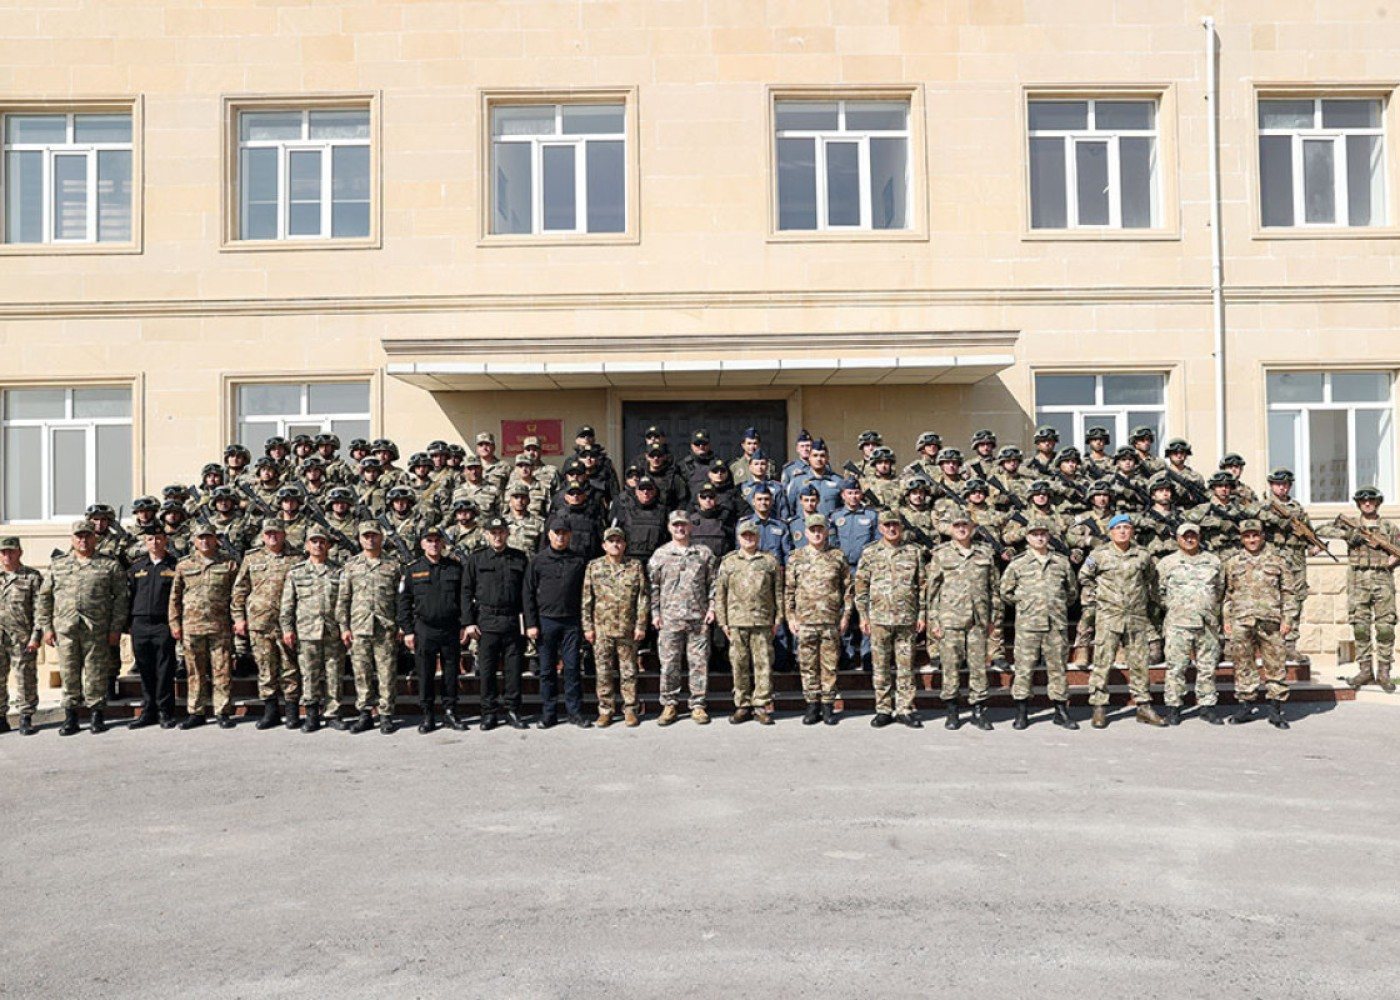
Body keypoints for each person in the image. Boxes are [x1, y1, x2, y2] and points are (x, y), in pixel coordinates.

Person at [38, 520, 128, 736]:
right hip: (66, 629)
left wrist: (116, 628)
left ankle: (97, 714)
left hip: (96, 629)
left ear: (94, 538)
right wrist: (46, 627)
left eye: (87, 536)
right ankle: (71, 716)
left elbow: (121, 599)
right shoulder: (58, 565)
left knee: (96, 672)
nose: (83, 540)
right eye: (78, 536)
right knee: (69, 673)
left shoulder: (109, 565)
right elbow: (45, 598)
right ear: (72, 539)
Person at [1079, 514, 1164, 728]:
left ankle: (1143, 706)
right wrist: (1096, 600)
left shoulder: (1142, 556)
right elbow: (1084, 577)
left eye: (1127, 527)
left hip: (1135, 616)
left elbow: (1150, 579)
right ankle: (1099, 707)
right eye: (1119, 528)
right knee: (1102, 662)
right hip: (1109, 616)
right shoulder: (1099, 555)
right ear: (1111, 532)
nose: (1123, 531)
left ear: (1132, 531)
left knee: (1139, 663)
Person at [999, 522, 1079, 730]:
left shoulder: (1061, 563)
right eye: (1035, 534)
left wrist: (1056, 604)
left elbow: (1072, 592)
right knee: (1024, 669)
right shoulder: (1018, 564)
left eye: (1043, 534)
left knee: (1058, 669)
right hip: (1028, 624)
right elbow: (1005, 592)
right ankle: (1022, 711)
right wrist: (1026, 602)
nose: (1040, 538)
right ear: (1027, 538)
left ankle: (1061, 711)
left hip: (1055, 624)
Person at [1319, 487, 1400, 692]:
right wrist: (1348, 535)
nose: (1367, 503)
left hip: (1382, 579)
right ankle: (1365, 671)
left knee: (1385, 628)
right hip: (1357, 580)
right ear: (1358, 504)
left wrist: (1394, 560)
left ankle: (1383, 672)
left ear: (1378, 502)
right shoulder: (1352, 526)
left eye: (1371, 500)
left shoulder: (1388, 527)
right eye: (1363, 501)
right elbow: (1320, 531)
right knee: (1360, 627)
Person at [926, 512, 1001, 731]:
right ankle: (952, 711)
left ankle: (979, 710)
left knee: (978, 667)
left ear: (973, 528)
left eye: (965, 525)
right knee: (951, 667)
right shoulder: (941, 554)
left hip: (978, 619)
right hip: (950, 618)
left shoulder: (985, 552)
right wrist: (934, 621)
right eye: (957, 525)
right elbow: (933, 590)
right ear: (950, 529)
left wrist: (993, 618)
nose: (961, 529)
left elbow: (993, 588)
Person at [855, 510, 927, 728]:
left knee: (906, 667)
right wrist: (863, 616)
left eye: (895, 525)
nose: (892, 529)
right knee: (881, 667)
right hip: (879, 619)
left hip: (906, 619)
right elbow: (860, 586)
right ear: (880, 528)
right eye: (887, 525)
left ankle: (905, 708)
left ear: (901, 527)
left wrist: (922, 614)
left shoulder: (913, 552)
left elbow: (922, 586)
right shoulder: (870, 553)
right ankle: (883, 709)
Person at [1223, 520, 1296, 729]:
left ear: (1263, 536)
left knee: (1275, 665)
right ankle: (1246, 706)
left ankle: (1275, 709)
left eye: (1255, 535)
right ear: (1242, 538)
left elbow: (1289, 593)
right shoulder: (1232, 563)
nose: (1252, 540)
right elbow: (1228, 594)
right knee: (1243, 664)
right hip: (1242, 620)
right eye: (1247, 536)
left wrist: (1288, 619)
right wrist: (1227, 620)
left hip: (1271, 620)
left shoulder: (1278, 561)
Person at [232, 520, 303, 730]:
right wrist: (238, 618)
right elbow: (240, 590)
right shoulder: (252, 557)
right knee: (265, 668)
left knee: (289, 668)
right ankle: (270, 712)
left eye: (277, 533)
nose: (272, 536)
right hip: (259, 623)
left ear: (284, 534)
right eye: (268, 533)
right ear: (263, 536)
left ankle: (292, 712)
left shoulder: (297, 558)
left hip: (287, 623)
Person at [396, 525, 467, 733]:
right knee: (425, 673)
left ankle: (450, 712)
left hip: (450, 628)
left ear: (443, 543)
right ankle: (428, 715)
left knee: (451, 672)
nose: (434, 544)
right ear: (422, 544)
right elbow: (404, 602)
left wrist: (464, 624)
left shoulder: (455, 568)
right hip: (424, 629)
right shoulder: (412, 569)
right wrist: (408, 630)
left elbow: (464, 599)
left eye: (437, 540)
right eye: (429, 540)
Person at [648, 510, 718, 725]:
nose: (680, 529)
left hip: (698, 618)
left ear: (691, 527)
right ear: (669, 528)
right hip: (669, 618)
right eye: (676, 525)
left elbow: (714, 584)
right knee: (669, 664)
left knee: (698, 664)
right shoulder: (660, 555)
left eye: (684, 525)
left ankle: (697, 705)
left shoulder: (704, 554)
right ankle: (669, 704)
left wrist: (712, 608)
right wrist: (655, 613)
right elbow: (653, 587)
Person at [462, 515, 530, 730]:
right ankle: (488, 712)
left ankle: (512, 710)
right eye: (493, 533)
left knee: (513, 670)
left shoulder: (519, 558)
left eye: (501, 532)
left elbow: (527, 594)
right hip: (486, 621)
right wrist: (468, 622)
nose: (497, 536)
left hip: (511, 620)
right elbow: (465, 592)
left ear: (507, 533)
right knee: (488, 670)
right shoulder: (476, 559)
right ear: (486, 534)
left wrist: (528, 623)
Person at [336, 522, 405, 734]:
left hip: (386, 627)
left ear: (381, 538)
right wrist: (344, 627)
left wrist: (402, 625)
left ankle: (386, 715)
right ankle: (365, 713)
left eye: (374, 536)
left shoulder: (393, 565)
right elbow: (343, 599)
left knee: (386, 673)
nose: (370, 540)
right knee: (361, 673)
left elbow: (402, 599)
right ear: (359, 539)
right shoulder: (351, 566)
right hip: (359, 627)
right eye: (366, 536)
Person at [783, 513, 851, 724]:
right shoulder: (796, 557)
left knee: (829, 665)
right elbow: (789, 590)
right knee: (808, 664)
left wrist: (846, 615)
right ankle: (812, 704)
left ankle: (828, 705)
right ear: (806, 533)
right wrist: (791, 616)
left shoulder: (837, 556)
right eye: (812, 530)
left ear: (826, 531)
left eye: (820, 529)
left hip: (830, 619)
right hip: (805, 620)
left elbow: (848, 589)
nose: (816, 533)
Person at [169, 524, 239, 729]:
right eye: (201, 538)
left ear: (216, 539)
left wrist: (237, 619)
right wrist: (174, 622)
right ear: (194, 541)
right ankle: (196, 711)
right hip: (191, 626)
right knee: (194, 671)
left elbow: (237, 595)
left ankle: (222, 711)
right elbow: (175, 597)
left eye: (209, 537)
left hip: (220, 625)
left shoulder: (228, 564)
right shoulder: (184, 565)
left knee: (222, 670)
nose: (205, 541)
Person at [1156, 522, 1226, 726]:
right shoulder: (1167, 563)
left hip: (1207, 623)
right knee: (1176, 668)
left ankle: (1207, 706)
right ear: (1177, 538)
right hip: (1178, 623)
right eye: (1185, 536)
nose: (1189, 539)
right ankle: (1174, 707)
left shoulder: (1213, 562)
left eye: (1193, 535)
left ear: (1199, 537)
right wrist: (1174, 607)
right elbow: (1158, 591)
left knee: (1207, 667)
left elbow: (1219, 590)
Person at [524, 519, 591, 728]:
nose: (560, 536)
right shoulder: (538, 561)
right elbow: (528, 593)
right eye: (557, 533)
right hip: (546, 621)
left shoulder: (579, 560)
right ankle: (549, 713)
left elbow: (587, 592)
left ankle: (574, 711)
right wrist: (531, 623)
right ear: (549, 535)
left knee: (571, 668)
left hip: (572, 621)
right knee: (547, 670)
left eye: (564, 533)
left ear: (570, 535)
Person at [715, 520, 783, 725]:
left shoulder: (769, 561)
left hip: (762, 619)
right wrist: (723, 621)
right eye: (744, 536)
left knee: (763, 664)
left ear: (758, 537)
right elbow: (721, 594)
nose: (748, 539)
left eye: (752, 535)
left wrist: (778, 618)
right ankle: (742, 705)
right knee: (739, 664)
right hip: (736, 620)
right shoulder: (729, 562)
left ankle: (761, 705)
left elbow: (778, 592)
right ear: (738, 538)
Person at [281, 527, 349, 733]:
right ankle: (311, 714)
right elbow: (287, 604)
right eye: (314, 542)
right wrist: (287, 628)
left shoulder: (339, 571)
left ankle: (332, 714)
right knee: (309, 673)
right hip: (306, 630)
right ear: (307, 545)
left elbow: (344, 603)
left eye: (322, 542)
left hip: (332, 630)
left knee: (334, 673)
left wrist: (345, 628)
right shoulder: (296, 572)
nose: (318, 545)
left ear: (328, 545)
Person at [583, 525, 650, 727]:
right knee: (603, 672)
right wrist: (587, 627)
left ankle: (630, 709)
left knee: (628, 672)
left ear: (625, 545)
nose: (615, 544)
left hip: (627, 628)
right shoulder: (594, 567)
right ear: (604, 545)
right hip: (602, 628)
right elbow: (587, 599)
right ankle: (606, 709)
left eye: (619, 541)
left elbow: (642, 598)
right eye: (611, 541)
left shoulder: (635, 566)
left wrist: (641, 625)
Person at [125, 527, 179, 729]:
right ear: (145, 542)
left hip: (163, 623)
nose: (154, 542)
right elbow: (128, 596)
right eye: (150, 539)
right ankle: (148, 711)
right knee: (145, 669)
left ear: (165, 540)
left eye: (158, 538)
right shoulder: (136, 567)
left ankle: (165, 711)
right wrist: (127, 624)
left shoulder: (175, 566)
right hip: (140, 623)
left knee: (165, 669)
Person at [0, 536, 43, 735]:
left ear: (20, 552)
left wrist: (36, 637)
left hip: (22, 637)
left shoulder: (32, 577)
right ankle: (1, 718)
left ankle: (25, 717)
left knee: (25, 678)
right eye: (3, 552)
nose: (7, 555)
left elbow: (40, 610)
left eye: (11, 551)